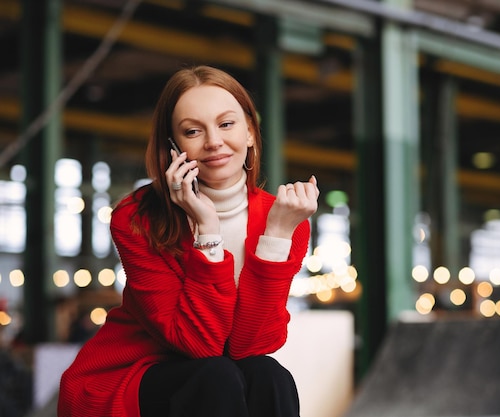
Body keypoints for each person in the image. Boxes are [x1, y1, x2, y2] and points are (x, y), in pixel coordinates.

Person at [58, 65, 319, 417]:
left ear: (251, 134)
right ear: (173, 146)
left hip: (218, 376)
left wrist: (276, 237)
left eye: (226, 124)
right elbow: (199, 345)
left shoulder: (285, 219)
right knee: (216, 376)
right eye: (193, 131)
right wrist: (207, 229)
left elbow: (251, 346)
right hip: (132, 375)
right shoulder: (136, 218)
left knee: (271, 375)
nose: (213, 141)